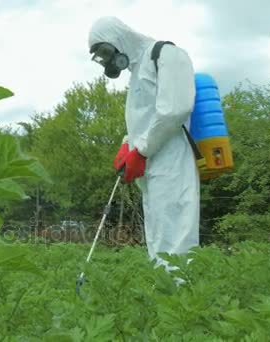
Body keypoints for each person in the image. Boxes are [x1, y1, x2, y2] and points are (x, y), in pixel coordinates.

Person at [88, 16, 200, 275]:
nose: (106, 60)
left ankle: (182, 302)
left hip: (172, 161)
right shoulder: (136, 73)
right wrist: (127, 145)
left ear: (119, 37)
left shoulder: (166, 55)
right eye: (100, 57)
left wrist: (141, 150)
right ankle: (164, 296)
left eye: (106, 51)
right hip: (150, 165)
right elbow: (144, 119)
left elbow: (175, 110)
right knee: (159, 233)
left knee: (176, 234)